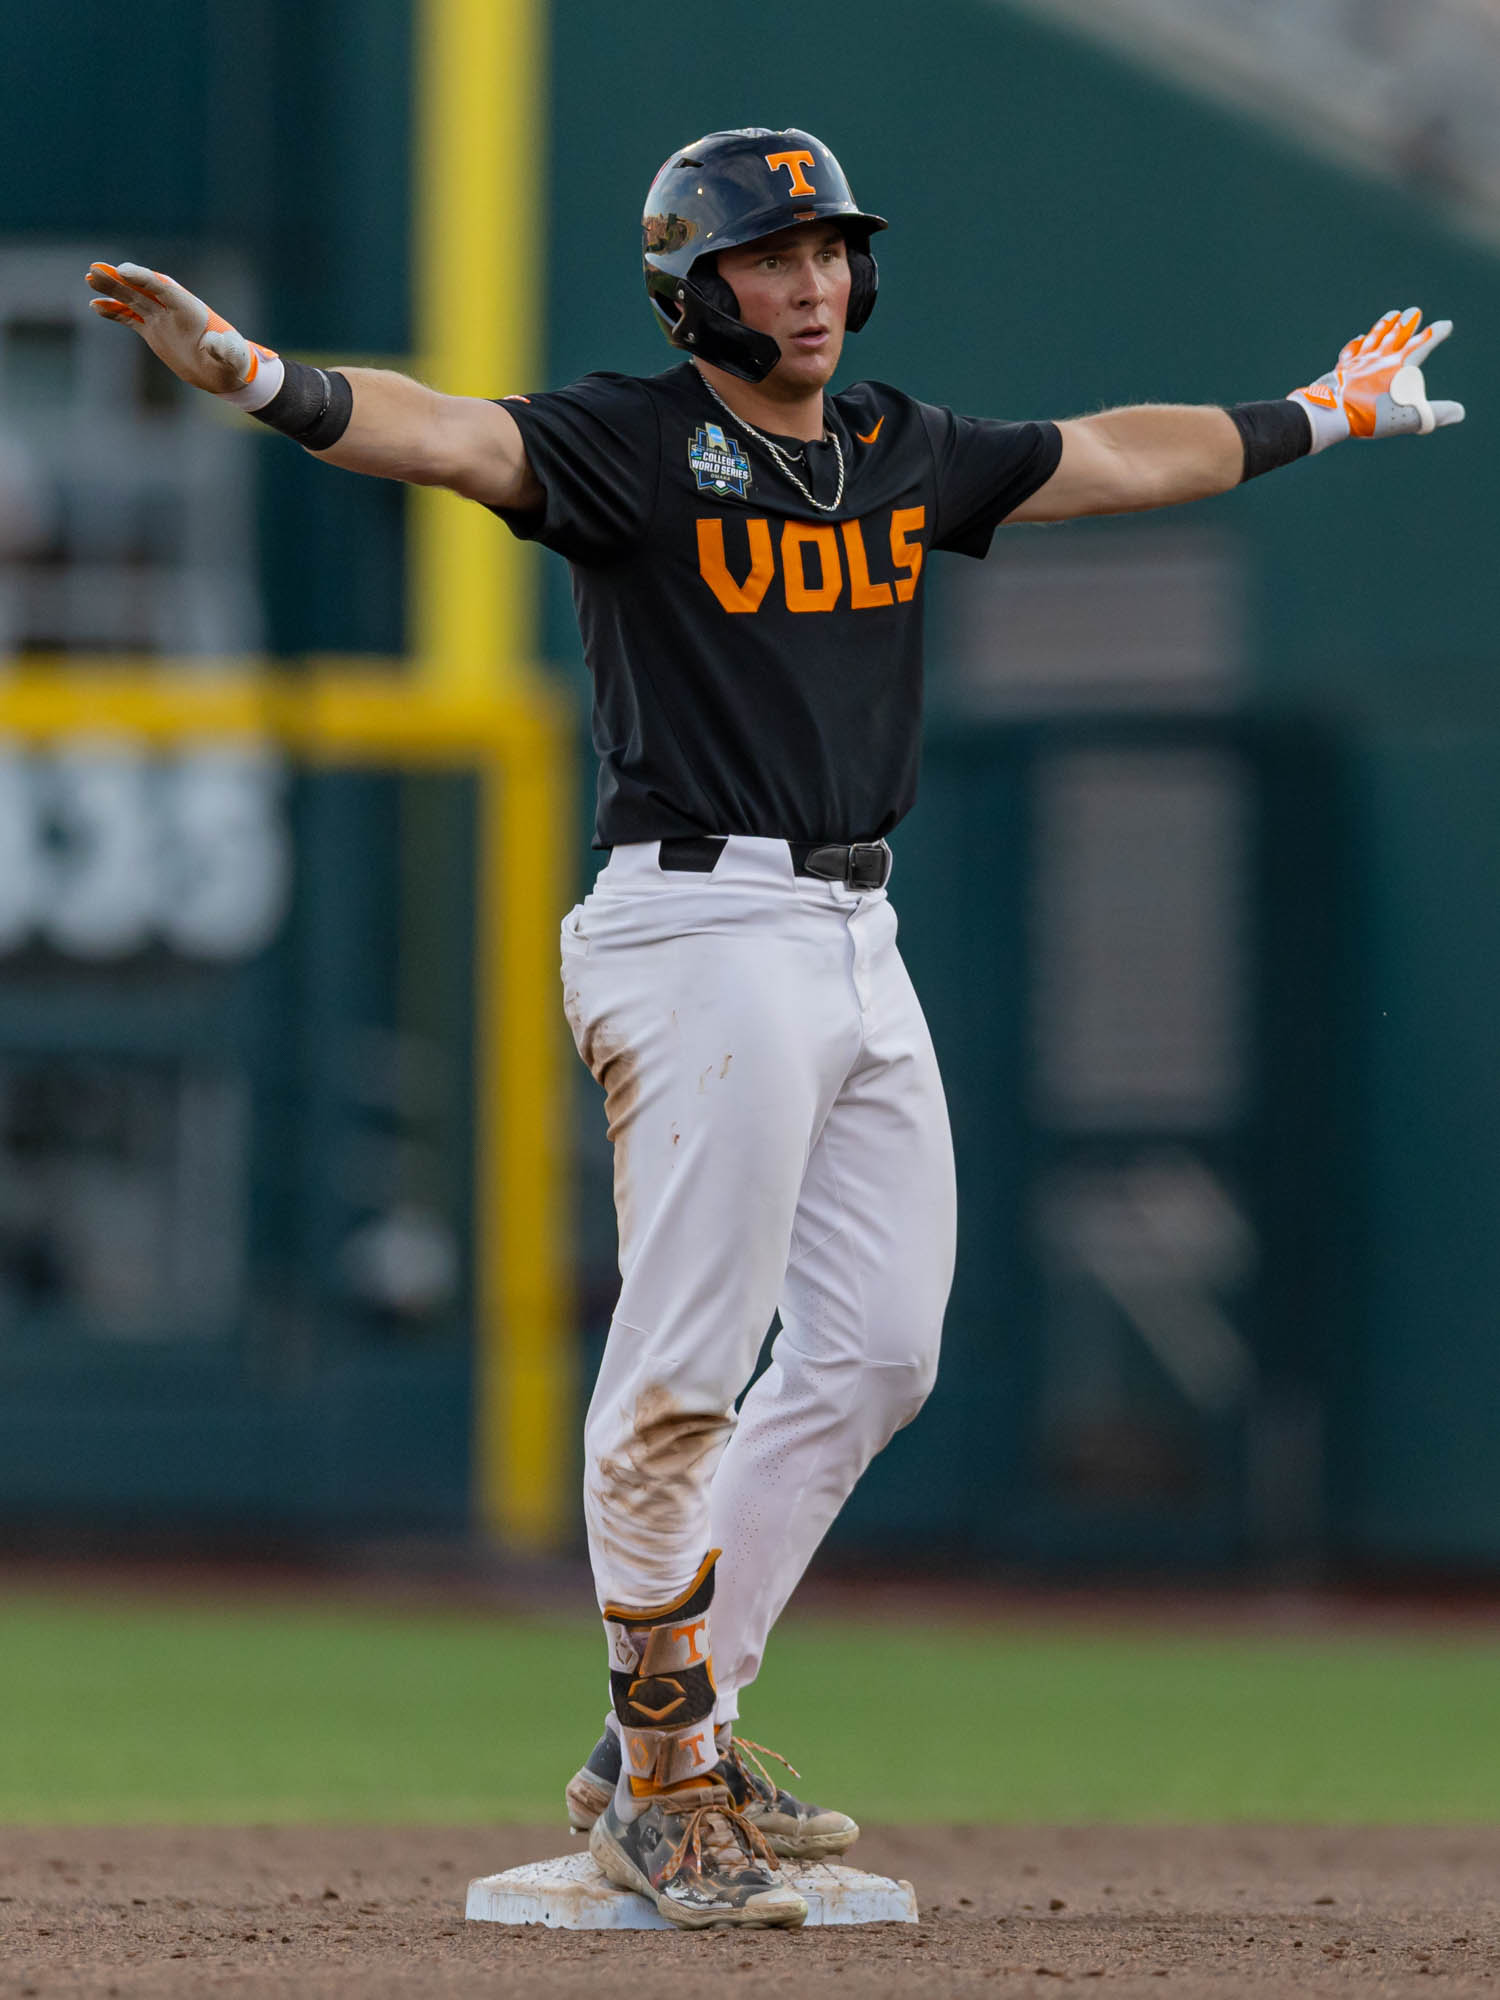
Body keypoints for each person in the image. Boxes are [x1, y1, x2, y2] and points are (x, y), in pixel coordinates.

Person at [86, 124, 1462, 1932]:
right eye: (770, 254)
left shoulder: (895, 449)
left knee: (883, 1350)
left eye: (828, 248)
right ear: (693, 284)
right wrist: (263, 381)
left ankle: (669, 1736)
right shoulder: (634, 440)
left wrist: (1327, 413)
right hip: (697, 923)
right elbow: (451, 434)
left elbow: (1120, 457)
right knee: (677, 1373)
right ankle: (664, 1794)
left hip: (851, 926)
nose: (810, 279)